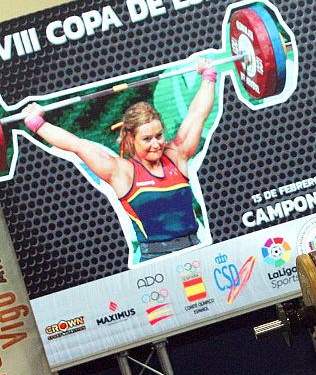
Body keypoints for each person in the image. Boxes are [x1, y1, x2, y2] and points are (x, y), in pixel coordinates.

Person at [22, 59, 218, 262]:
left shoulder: (176, 156)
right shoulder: (121, 172)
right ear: (131, 139)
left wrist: (208, 76)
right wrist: (37, 123)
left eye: (159, 136)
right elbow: (76, 144)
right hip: (156, 259)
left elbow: (198, 114)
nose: (156, 144)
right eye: (147, 139)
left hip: (196, 250)